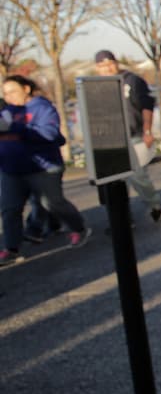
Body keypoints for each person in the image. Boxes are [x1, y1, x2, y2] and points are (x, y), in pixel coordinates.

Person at [1, 74, 91, 266]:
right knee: (10, 209)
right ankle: (12, 249)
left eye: (13, 92)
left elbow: (49, 134)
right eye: (5, 93)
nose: (9, 97)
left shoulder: (42, 108)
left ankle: (78, 228)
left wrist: (17, 128)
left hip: (43, 168)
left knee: (53, 203)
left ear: (26, 89)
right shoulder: (6, 110)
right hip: (11, 169)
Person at [93, 50, 161, 223]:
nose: (107, 68)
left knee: (138, 177)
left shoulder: (132, 80)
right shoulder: (95, 86)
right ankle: (122, 219)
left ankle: (154, 205)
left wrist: (147, 130)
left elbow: (146, 105)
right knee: (115, 183)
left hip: (134, 135)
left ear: (116, 63)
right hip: (110, 140)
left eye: (110, 63)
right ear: (97, 68)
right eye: (102, 66)